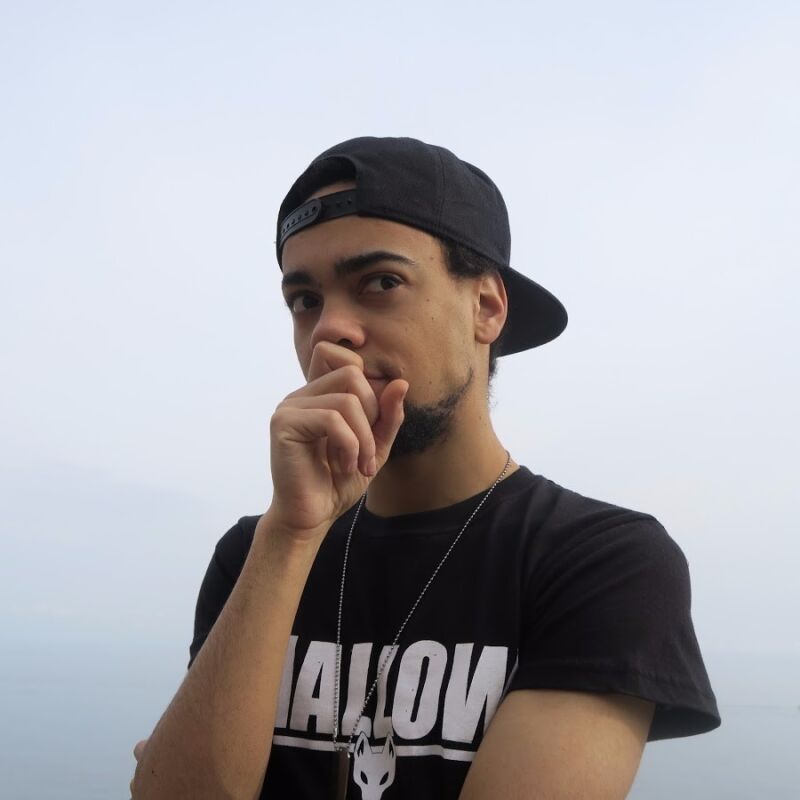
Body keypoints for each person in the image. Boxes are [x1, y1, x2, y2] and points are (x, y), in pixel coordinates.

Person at [130, 136, 721, 799]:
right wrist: (290, 535)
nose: (330, 330)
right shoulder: (256, 554)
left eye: (381, 283)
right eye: (304, 300)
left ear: (486, 307)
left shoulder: (600, 561)